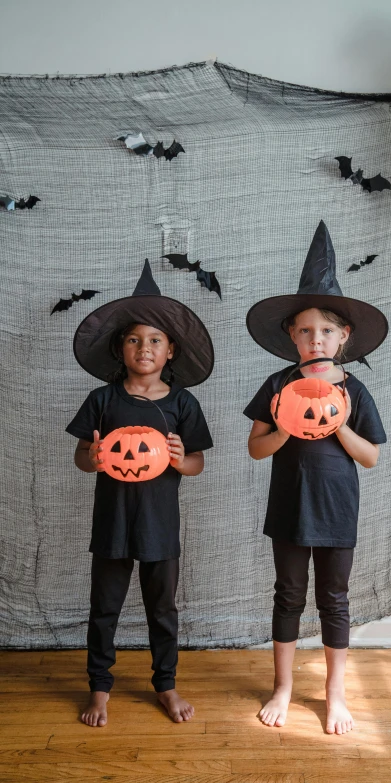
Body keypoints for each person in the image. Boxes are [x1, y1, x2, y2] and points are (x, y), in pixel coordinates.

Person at [244, 221, 388, 735]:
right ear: (291, 337)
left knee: (334, 599)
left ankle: (335, 696)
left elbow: (370, 457)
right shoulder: (278, 384)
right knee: (288, 594)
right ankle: (282, 687)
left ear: (344, 336)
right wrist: (284, 427)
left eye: (326, 330)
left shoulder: (355, 391)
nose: (315, 338)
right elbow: (256, 448)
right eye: (305, 330)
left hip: (336, 509)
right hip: (289, 506)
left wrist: (342, 424)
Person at [66, 259, 214, 728]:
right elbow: (81, 457)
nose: (144, 347)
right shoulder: (102, 400)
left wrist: (177, 458)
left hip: (159, 527)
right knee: (104, 607)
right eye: (134, 339)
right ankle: (99, 689)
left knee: (162, 609)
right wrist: (91, 457)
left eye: (154, 340)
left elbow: (196, 465)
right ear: (120, 349)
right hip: (111, 523)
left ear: (170, 351)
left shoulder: (181, 403)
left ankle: (166, 685)